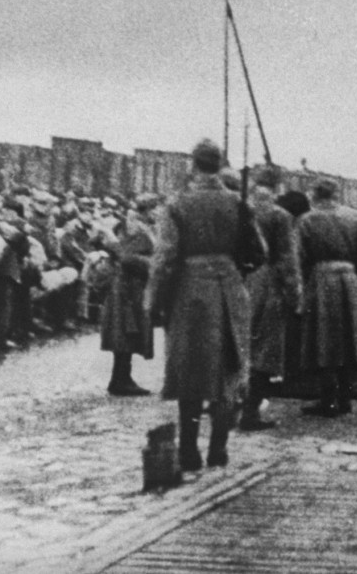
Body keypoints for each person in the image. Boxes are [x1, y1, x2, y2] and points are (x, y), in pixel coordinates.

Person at [145, 140, 251, 471]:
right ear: (220, 165)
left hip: (190, 292)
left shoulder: (177, 203)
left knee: (189, 370)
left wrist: (155, 301)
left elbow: (165, 258)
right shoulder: (238, 202)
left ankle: (189, 452)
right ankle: (218, 450)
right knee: (228, 370)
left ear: (193, 164)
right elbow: (257, 250)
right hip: (230, 289)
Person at [296, 179, 357, 417]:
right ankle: (345, 397)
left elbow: (297, 257)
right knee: (348, 338)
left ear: (315, 195)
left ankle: (328, 398)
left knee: (324, 338)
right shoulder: (354, 220)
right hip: (350, 280)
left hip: (321, 279)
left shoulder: (307, 220)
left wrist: (298, 290)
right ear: (336, 195)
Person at [241, 165, 303, 431]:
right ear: (277, 187)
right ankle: (251, 413)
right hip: (267, 283)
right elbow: (288, 259)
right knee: (265, 349)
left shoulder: (239, 209)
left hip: (236, 281)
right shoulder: (279, 215)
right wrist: (294, 294)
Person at [100, 193, 158, 397]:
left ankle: (121, 377)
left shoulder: (135, 226)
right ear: (148, 210)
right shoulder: (137, 229)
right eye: (155, 209)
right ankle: (121, 380)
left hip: (130, 285)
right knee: (126, 330)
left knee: (127, 331)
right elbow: (127, 258)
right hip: (128, 287)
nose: (158, 213)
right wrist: (152, 264)